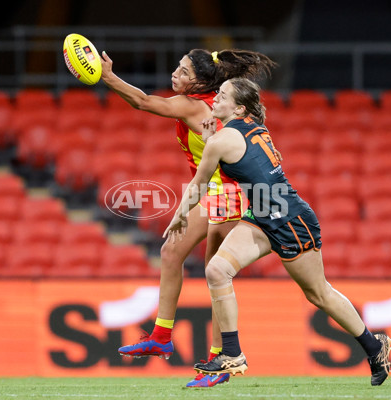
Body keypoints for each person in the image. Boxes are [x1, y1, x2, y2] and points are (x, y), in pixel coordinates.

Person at [164, 77, 391, 386]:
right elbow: (237, 156)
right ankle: (232, 353)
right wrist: (209, 138)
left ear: (239, 107)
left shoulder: (223, 139)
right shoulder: (248, 129)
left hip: (288, 220)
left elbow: (200, 184)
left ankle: (374, 346)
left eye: (222, 95)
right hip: (261, 215)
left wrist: (179, 215)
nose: (215, 98)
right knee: (217, 270)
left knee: (319, 293)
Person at [99, 49, 277, 387]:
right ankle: (169, 339)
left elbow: (143, 102)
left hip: (230, 193)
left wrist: (107, 77)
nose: (174, 75)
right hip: (217, 192)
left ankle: (214, 359)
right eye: (176, 68)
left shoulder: (194, 105)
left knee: (211, 272)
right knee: (178, 257)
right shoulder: (208, 101)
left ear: (199, 79)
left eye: (182, 71)